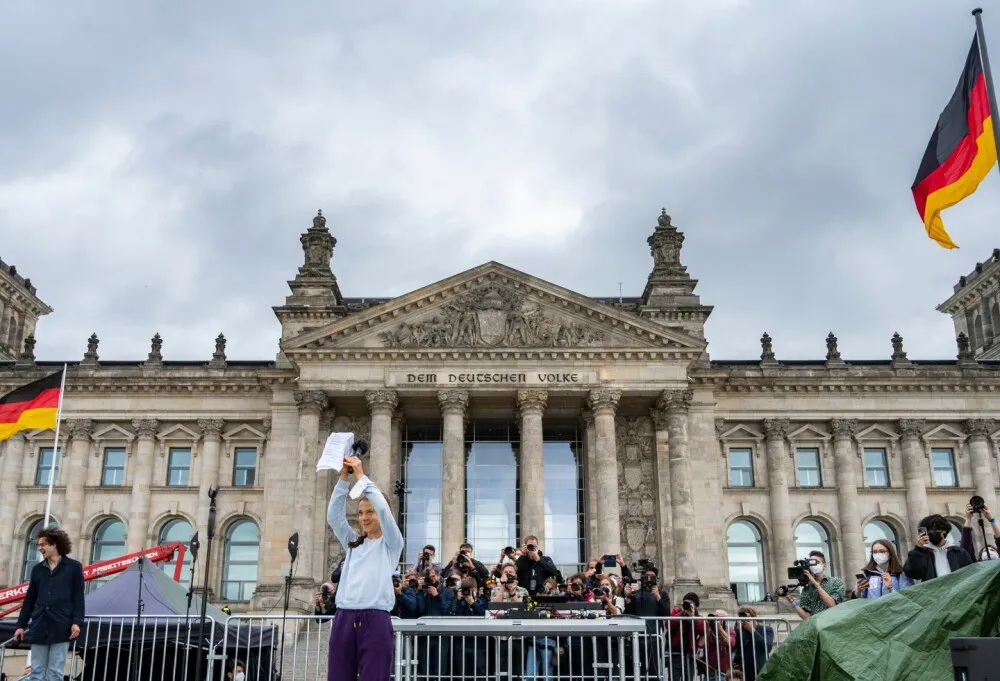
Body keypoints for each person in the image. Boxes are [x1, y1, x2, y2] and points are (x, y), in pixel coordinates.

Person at [327, 455, 404, 681]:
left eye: (369, 512)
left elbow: (382, 506)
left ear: (381, 515)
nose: (364, 518)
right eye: (360, 513)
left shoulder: (391, 544)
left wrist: (361, 476)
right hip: (343, 618)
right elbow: (333, 517)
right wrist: (343, 478)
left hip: (376, 619)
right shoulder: (353, 543)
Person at [14, 527, 85, 681]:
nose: (40, 548)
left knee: (55, 673)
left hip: (62, 626)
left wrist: (77, 622)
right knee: (37, 673)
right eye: (38, 545)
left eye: (43, 544)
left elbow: (79, 598)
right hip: (39, 626)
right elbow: (30, 599)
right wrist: (21, 625)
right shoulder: (37, 569)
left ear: (55, 544)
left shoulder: (74, 567)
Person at [903, 514, 974, 582]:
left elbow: (970, 573)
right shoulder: (921, 553)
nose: (932, 532)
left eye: (935, 529)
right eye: (929, 530)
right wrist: (918, 549)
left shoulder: (958, 552)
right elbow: (914, 574)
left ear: (944, 530)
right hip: (934, 593)